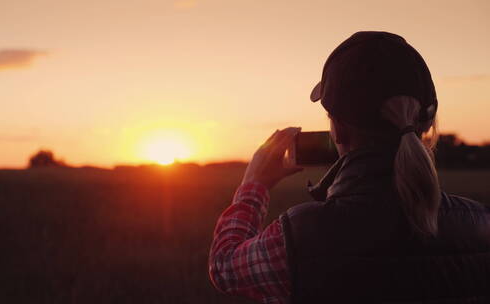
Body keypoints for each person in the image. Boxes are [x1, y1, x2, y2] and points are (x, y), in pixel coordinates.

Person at [208, 31, 490, 303]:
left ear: (338, 131)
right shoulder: (480, 223)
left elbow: (224, 267)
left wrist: (253, 185)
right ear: (427, 124)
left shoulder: (297, 237)